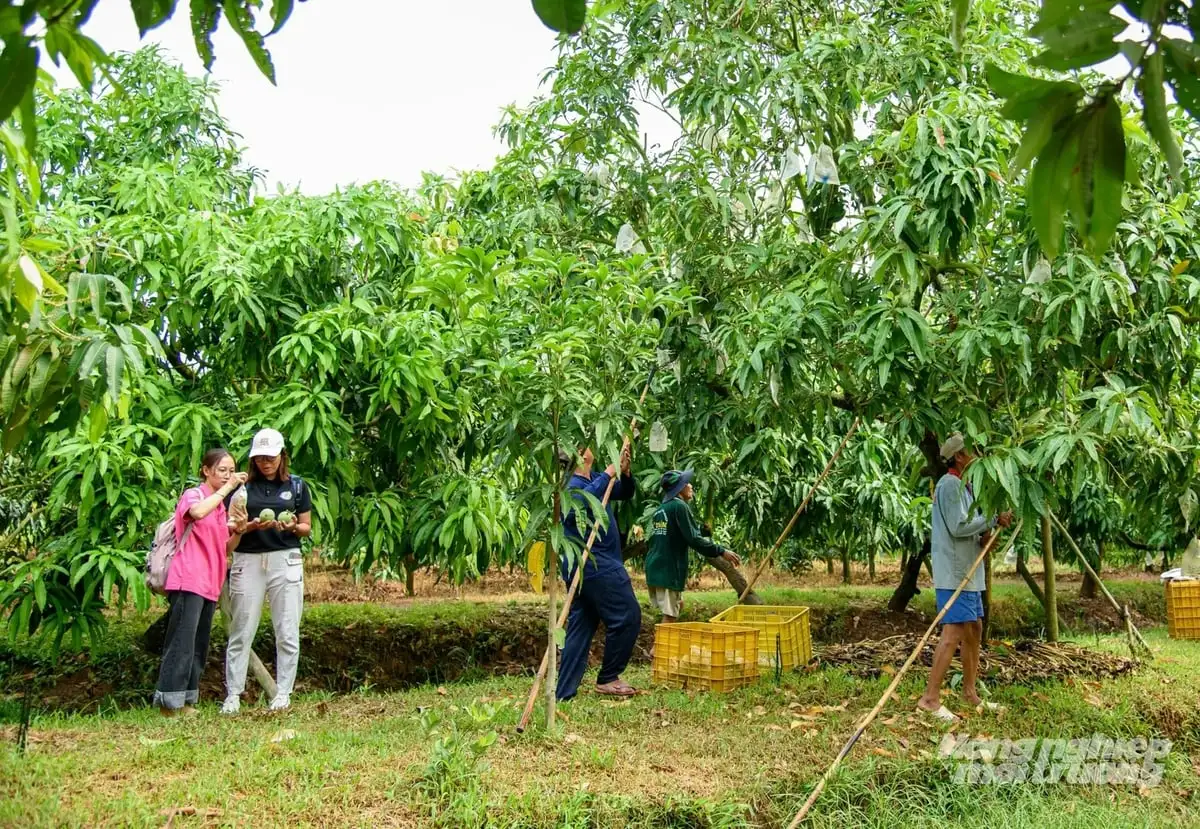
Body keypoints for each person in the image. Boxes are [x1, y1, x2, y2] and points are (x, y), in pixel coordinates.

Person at [917, 432, 1012, 722]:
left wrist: (987, 536)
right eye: (973, 451)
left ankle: (969, 693)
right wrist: (993, 518)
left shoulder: (966, 488)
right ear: (959, 456)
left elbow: (971, 533)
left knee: (974, 628)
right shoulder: (949, 485)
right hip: (955, 574)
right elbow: (959, 527)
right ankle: (930, 699)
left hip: (968, 574)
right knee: (954, 631)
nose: (979, 456)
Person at [222, 429, 313, 714]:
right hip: (248, 560)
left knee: (286, 630)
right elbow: (231, 526)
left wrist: (292, 527)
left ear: (282, 456)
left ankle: (283, 693)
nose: (265, 462)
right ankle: (233, 695)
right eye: (260, 457)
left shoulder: (298, 486)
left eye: (270, 456)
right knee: (241, 630)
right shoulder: (242, 488)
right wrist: (248, 527)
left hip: (285, 560)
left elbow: (306, 527)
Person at [154, 448, 247, 716]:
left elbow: (225, 548)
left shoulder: (219, 508)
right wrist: (226, 489)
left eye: (231, 471)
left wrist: (239, 530)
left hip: (209, 582)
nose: (228, 476)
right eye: (222, 471)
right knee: (181, 642)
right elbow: (195, 513)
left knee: (198, 644)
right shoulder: (195, 496)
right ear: (206, 471)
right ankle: (169, 704)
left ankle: (186, 700)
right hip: (188, 579)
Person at [557, 443, 641, 700]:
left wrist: (624, 473)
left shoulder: (591, 479)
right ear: (580, 455)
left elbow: (624, 493)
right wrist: (608, 473)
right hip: (595, 564)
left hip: (592, 566)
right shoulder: (569, 487)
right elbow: (578, 509)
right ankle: (609, 677)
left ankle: (564, 692)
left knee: (581, 627)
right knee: (627, 615)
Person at [645, 469, 741, 623]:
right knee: (670, 616)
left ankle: (663, 646)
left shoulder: (662, 508)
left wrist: (702, 530)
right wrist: (721, 551)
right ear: (679, 489)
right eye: (686, 483)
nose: (690, 486)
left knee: (677, 605)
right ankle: (658, 648)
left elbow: (677, 534)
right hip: (669, 569)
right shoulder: (679, 506)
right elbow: (694, 540)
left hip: (656, 567)